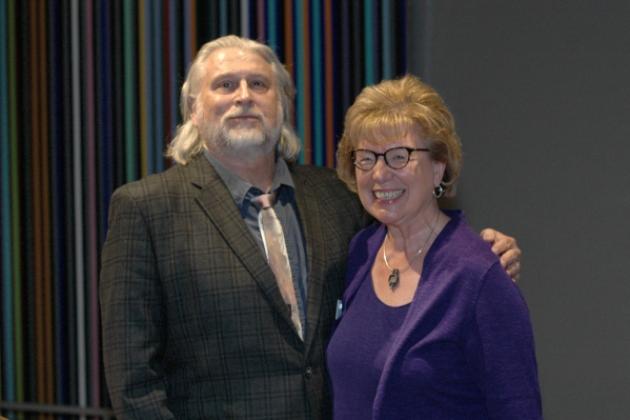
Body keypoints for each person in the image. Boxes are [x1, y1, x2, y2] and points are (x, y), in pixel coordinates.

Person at [99, 36, 522, 419]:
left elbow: (413, 228)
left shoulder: (337, 196)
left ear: (282, 105)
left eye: (259, 85)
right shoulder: (144, 209)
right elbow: (134, 382)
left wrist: (485, 248)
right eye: (225, 85)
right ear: (193, 108)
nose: (244, 96)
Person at [326, 75, 541, 419]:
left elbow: (518, 408)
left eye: (399, 156)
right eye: (366, 158)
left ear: (439, 166)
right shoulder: (360, 251)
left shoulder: (479, 275)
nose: (380, 174)